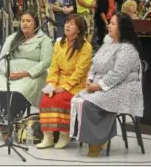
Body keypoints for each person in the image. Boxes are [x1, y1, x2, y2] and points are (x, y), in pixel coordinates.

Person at [76, 12, 144, 157]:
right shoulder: (108, 43)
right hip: (105, 83)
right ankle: (94, 138)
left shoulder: (127, 49)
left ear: (122, 28)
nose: (109, 26)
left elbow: (118, 74)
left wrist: (98, 86)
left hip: (124, 87)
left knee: (91, 103)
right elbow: (94, 65)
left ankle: (98, 141)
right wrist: (90, 79)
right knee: (79, 99)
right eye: (110, 23)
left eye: (113, 24)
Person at [0, 10, 53, 135]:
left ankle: (10, 124)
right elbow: (2, 59)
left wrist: (25, 73)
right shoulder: (12, 38)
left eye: (28, 21)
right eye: (23, 21)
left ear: (35, 23)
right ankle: (0, 122)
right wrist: (6, 73)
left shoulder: (44, 40)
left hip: (32, 75)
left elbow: (46, 62)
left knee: (16, 93)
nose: (25, 24)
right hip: (9, 73)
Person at [37, 14, 92, 149]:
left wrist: (65, 87)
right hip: (58, 82)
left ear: (79, 29)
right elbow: (54, 67)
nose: (67, 25)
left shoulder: (86, 46)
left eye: (72, 24)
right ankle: (48, 137)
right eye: (67, 22)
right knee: (45, 99)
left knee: (61, 99)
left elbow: (80, 72)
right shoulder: (59, 43)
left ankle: (64, 135)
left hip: (77, 84)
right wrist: (51, 84)